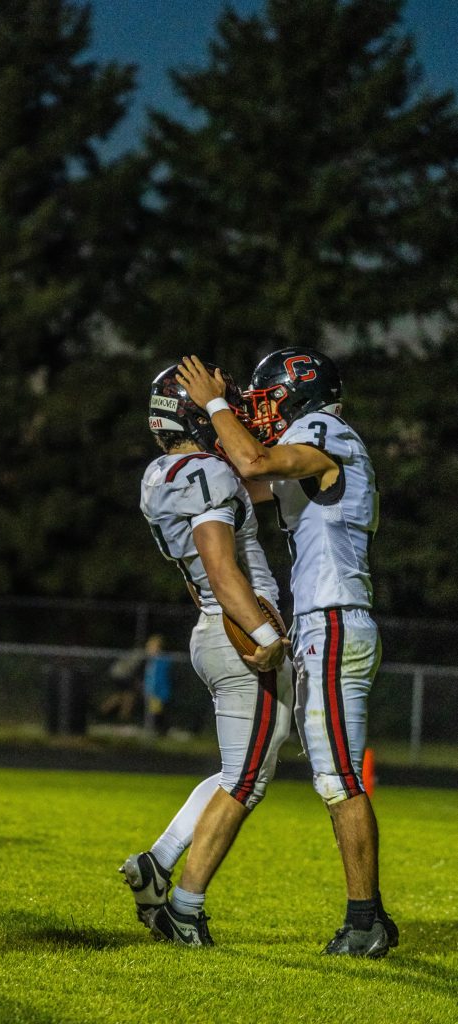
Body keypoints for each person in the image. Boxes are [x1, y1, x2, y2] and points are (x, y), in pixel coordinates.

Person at [176, 349, 398, 959]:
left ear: (298, 394)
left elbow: (252, 460)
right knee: (336, 774)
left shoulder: (323, 430)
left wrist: (214, 406)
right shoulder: (316, 441)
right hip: (331, 621)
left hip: (334, 620)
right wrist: (205, 436)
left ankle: (364, 923)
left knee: (339, 778)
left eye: (267, 398)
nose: (261, 409)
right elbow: (245, 480)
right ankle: (370, 916)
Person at [120, 362, 293, 947]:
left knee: (238, 772)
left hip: (215, 629)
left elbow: (264, 482)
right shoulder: (206, 474)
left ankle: (158, 863)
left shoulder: (163, 473)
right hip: (237, 629)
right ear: (192, 415)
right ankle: (186, 910)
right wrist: (265, 636)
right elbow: (221, 568)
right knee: (246, 781)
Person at [142, 634, 173, 735]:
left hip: (158, 692)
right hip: (152, 691)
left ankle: (159, 731)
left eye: (151, 646)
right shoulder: (152, 661)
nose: (148, 649)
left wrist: (153, 690)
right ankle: (157, 730)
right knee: (154, 712)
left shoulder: (161, 660)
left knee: (157, 712)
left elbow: (159, 678)